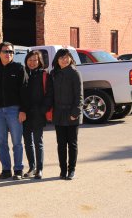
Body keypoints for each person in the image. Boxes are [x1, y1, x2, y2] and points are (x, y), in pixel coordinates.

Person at [0, 42, 26, 180]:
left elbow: (24, 91)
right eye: (5, 51)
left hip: (14, 110)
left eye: (11, 52)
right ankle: (6, 169)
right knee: (1, 142)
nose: (8, 54)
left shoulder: (19, 68)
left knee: (17, 142)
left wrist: (23, 110)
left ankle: (18, 170)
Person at [50, 49, 83, 180]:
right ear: (57, 60)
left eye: (67, 57)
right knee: (61, 144)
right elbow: (51, 95)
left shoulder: (75, 73)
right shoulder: (54, 74)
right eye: (61, 57)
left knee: (72, 143)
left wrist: (75, 113)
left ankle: (71, 170)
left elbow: (79, 96)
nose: (64, 60)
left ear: (70, 58)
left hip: (71, 113)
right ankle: (63, 170)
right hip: (58, 113)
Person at [21, 51, 53, 179]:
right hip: (25, 114)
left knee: (38, 141)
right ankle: (31, 167)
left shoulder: (44, 75)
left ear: (40, 62)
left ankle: (39, 169)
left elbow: (49, 95)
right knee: (27, 142)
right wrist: (21, 110)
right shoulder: (23, 74)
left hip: (38, 113)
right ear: (26, 61)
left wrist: (43, 110)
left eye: (35, 60)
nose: (32, 63)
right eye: (30, 60)